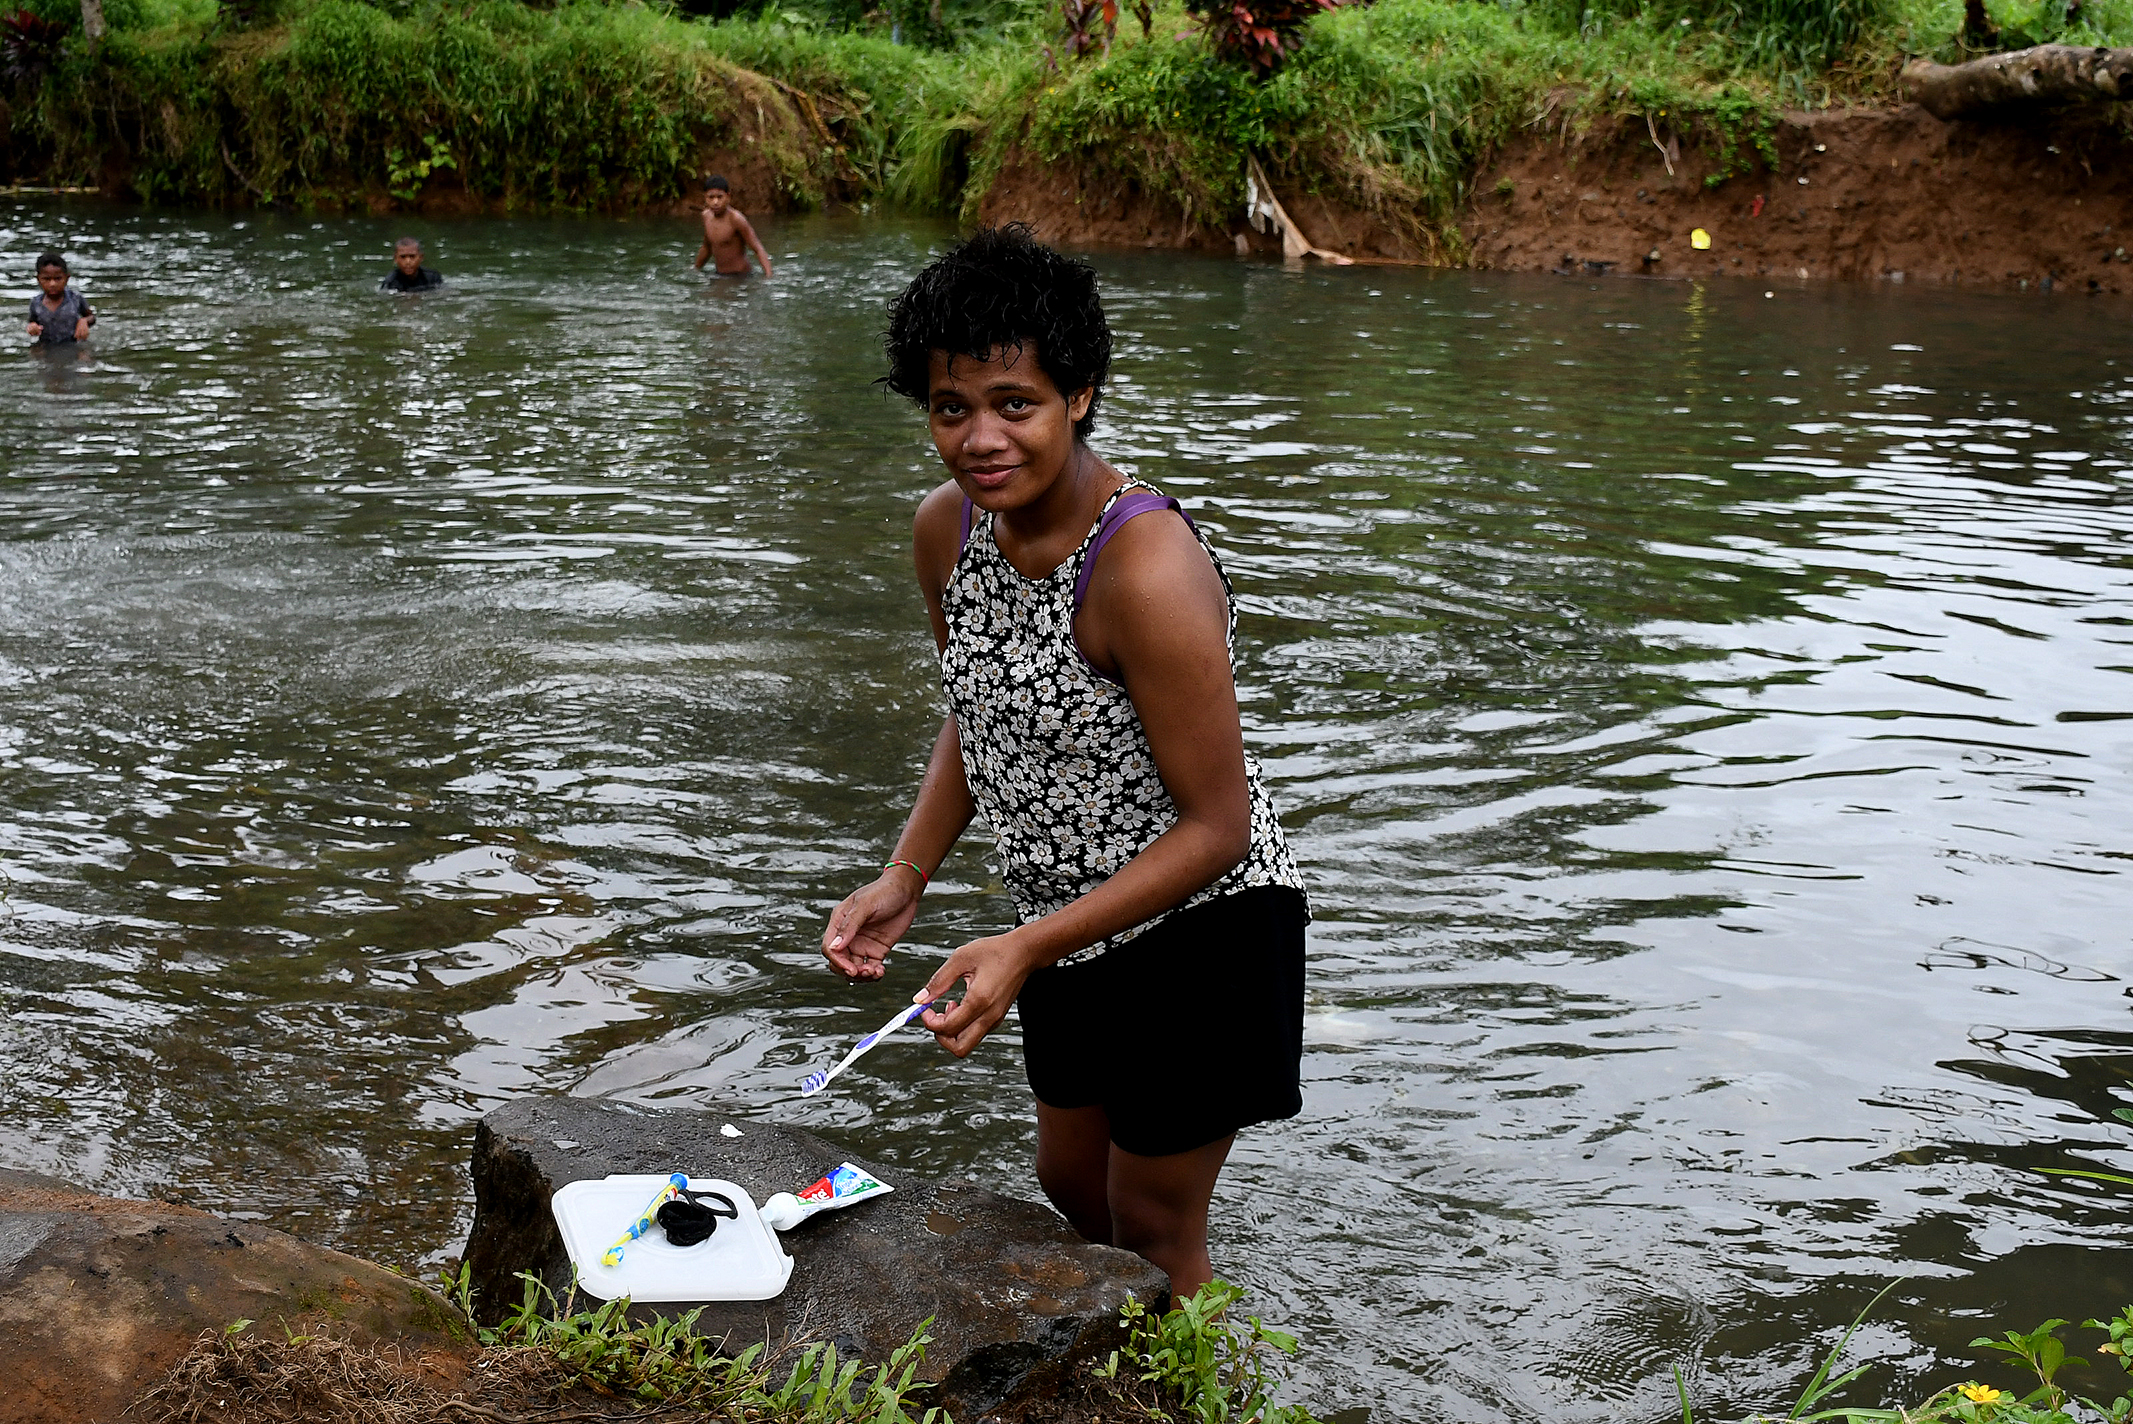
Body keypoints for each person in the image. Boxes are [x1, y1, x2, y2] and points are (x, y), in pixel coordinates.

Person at [819, 225, 1307, 1299]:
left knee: (1153, 1221)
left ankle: (1196, 1395)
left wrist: (1025, 945)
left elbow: (1218, 825)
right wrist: (907, 874)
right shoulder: (947, 531)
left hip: (1203, 922)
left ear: (1079, 394)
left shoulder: (1143, 567)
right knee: (1070, 1183)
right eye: (953, 409)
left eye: (1015, 403)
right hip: (1061, 926)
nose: (981, 438)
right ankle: (1123, 1374)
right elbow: (981, 710)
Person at [692, 176, 773, 278]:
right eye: (711, 197)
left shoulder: (736, 219)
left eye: (720, 197)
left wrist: (769, 276)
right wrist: (695, 269)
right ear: (705, 198)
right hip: (719, 274)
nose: (715, 202)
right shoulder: (706, 216)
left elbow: (757, 248)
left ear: (728, 197)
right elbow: (706, 247)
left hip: (740, 276)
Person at [25, 251, 94, 346]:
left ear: (67, 278)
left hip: (72, 343)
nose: (52, 284)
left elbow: (91, 317)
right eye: (46, 279)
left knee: (85, 357)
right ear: (38, 279)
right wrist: (32, 327)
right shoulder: (36, 303)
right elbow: (32, 321)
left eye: (58, 278)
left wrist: (84, 321)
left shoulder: (76, 299)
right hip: (46, 344)